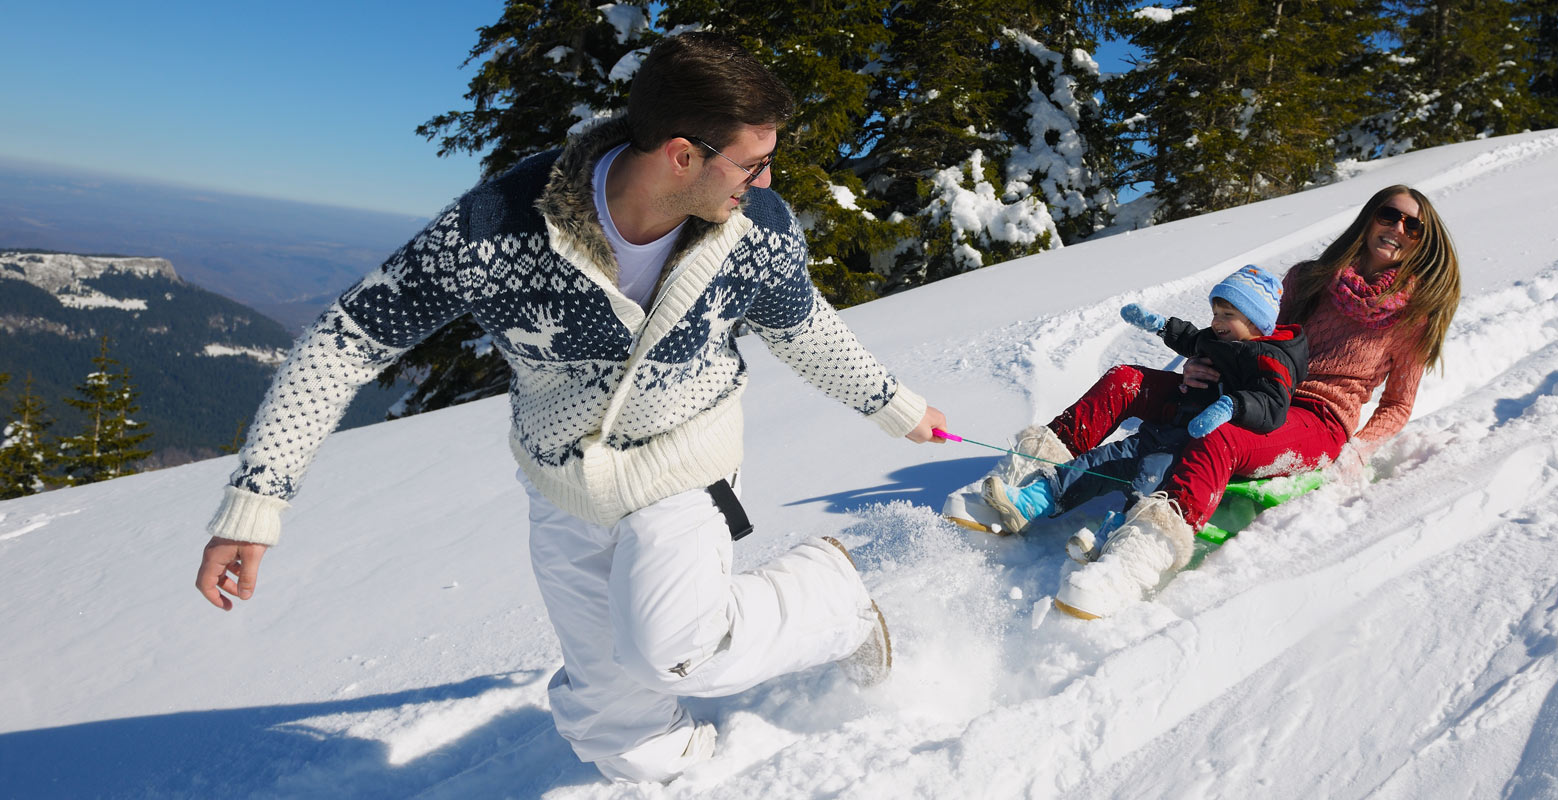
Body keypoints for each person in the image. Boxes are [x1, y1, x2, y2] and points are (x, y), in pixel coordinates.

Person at [191, 33, 947, 785]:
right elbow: (345, 341)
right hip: (563, 482)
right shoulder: (497, 231)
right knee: (623, 735)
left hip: (687, 460)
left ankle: (834, 598)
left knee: (676, 647)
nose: (766, 177)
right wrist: (253, 505)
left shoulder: (757, 230)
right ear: (682, 154)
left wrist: (894, 406)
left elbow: (801, 324)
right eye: (751, 162)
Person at [980, 185, 1459, 620]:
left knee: (1219, 437)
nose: (1397, 228)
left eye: (1411, 225)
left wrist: (1359, 448)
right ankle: (1026, 477)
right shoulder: (1308, 279)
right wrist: (1199, 364)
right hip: (1244, 389)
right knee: (1126, 380)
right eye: (1389, 214)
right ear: (1369, 217)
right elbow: (1252, 335)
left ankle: (1133, 562)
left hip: (1316, 421)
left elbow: (1397, 404)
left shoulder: (1414, 316)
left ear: (1421, 240)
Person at [977, 267, 1306, 567]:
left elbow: (1272, 405)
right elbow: (1192, 338)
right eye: (1216, 312)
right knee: (1104, 459)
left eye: (1228, 314)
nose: (1217, 321)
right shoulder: (1218, 338)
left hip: (1195, 446)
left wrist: (1232, 405)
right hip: (1168, 426)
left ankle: (1113, 540)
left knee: (1148, 482)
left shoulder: (1270, 358)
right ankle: (1032, 500)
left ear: (1256, 321)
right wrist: (1160, 325)